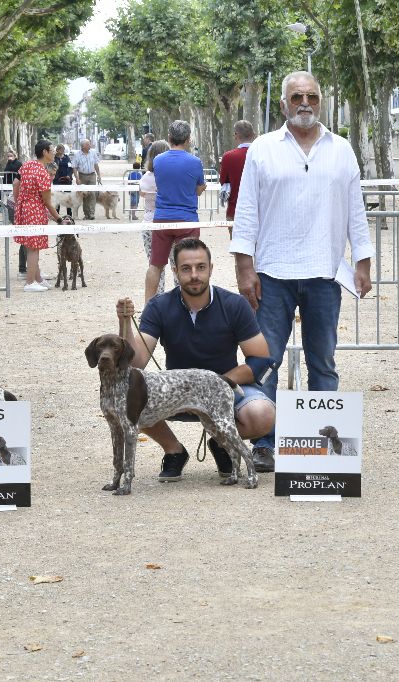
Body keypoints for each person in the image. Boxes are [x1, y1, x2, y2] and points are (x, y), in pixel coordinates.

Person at [230, 71, 374, 472]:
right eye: (297, 97)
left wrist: (362, 261)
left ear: (321, 100)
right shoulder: (262, 149)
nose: (305, 103)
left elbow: (356, 210)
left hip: (325, 273)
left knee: (323, 362)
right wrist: (245, 267)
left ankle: (321, 449)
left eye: (312, 96)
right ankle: (265, 443)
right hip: (272, 273)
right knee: (266, 361)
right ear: (283, 104)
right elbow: (247, 212)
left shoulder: (342, 149)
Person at [115, 238, 276, 481]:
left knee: (263, 414)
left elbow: (261, 360)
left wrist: (218, 382)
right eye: (186, 269)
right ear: (175, 271)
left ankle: (222, 442)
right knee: (131, 394)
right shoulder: (159, 306)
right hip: (175, 394)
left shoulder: (234, 305)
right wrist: (125, 323)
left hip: (225, 388)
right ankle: (174, 450)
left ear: (211, 268)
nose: (194, 275)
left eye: (201, 267)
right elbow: (135, 364)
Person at [146, 120, 206, 304]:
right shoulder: (195, 162)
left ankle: (148, 305)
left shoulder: (158, 160)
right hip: (187, 219)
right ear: (188, 139)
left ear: (169, 137)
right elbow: (198, 188)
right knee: (189, 265)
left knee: (156, 265)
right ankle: (189, 303)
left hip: (162, 218)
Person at [13, 139, 65, 292]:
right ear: (45, 152)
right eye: (52, 150)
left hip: (23, 208)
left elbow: (16, 183)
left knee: (30, 246)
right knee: (34, 248)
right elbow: (48, 202)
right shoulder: (43, 173)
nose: (54, 152)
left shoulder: (27, 165)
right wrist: (59, 219)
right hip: (35, 211)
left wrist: (19, 202)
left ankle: (38, 279)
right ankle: (30, 283)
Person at [138, 140, 171, 296]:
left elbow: (142, 193)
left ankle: (156, 303)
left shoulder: (145, 178)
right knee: (178, 265)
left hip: (149, 222)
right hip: (168, 221)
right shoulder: (170, 177)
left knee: (155, 266)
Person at [219, 119, 256, 233]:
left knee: (238, 248)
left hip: (235, 210)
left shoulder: (228, 157)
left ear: (236, 135)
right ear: (253, 134)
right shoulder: (262, 154)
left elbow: (223, 181)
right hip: (258, 211)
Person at [71, 138, 102, 220]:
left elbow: (96, 165)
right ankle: (86, 214)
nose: (90, 146)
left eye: (89, 144)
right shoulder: (77, 154)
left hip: (92, 175)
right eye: (88, 144)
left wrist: (99, 175)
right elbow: (74, 167)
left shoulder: (93, 152)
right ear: (83, 146)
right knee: (84, 195)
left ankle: (91, 214)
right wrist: (77, 178)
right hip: (82, 176)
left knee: (92, 194)